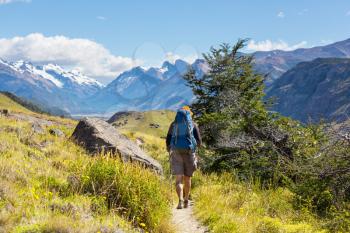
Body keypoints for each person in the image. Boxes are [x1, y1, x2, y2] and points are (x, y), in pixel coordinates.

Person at [166, 106, 202, 209]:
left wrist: (170, 149)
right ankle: (186, 199)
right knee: (187, 178)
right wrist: (194, 148)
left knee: (178, 179)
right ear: (189, 114)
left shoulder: (173, 125)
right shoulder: (193, 125)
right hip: (189, 152)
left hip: (176, 152)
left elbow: (168, 140)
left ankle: (180, 200)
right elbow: (199, 141)